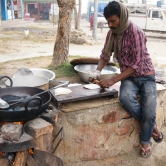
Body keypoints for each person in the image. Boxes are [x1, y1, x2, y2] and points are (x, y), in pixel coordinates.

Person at [89, 1, 163, 158]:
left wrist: (113, 80)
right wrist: (97, 72)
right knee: (125, 98)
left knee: (150, 112)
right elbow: (105, 55)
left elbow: (136, 65)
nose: (109, 24)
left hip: (146, 75)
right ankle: (152, 126)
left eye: (113, 21)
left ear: (122, 17)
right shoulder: (112, 34)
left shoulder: (136, 32)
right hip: (128, 77)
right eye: (108, 21)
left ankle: (145, 142)